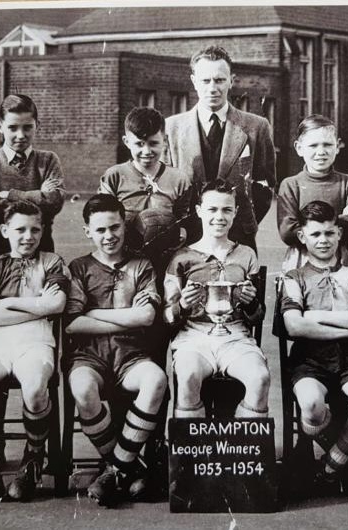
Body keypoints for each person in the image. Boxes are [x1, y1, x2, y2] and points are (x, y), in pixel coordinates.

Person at [63, 194, 168, 507]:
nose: (109, 236)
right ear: (88, 232)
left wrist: (93, 314)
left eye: (114, 227)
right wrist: (126, 318)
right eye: (100, 230)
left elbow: (147, 317)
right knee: (82, 389)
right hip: (89, 355)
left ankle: (113, 470)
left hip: (131, 355)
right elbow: (72, 325)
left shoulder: (141, 265)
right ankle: (127, 467)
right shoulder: (79, 267)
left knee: (156, 380)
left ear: (125, 226)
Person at [0, 200, 69, 502]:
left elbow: (57, 305)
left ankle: (32, 459)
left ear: (43, 231)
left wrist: (7, 303)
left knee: (36, 387)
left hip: (36, 340)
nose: (28, 236)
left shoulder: (52, 262)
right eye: (20, 229)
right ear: (4, 230)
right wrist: (38, 306)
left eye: (35, 229)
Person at [280, 200, 348, 494]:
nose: (323, 240)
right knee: (311, 405)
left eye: (328, 233)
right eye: (315, 235)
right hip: (309, 362)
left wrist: (317, 317)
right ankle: (346, 460)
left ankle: (329, 468)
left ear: (339, 233)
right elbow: (294, 326)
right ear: (302, 237)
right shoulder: (293, 278)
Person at [164, 179, 269, 419]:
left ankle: (238, 451)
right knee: (188, 375)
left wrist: (251, 302)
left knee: (260, 378)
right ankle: (194, 453)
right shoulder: (181, 258)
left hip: (235, 336)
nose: (219, 217)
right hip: (194, 337)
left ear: (235, 213)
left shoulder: (246, 254)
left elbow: (256, 317)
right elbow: (167, 316)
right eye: (212, 209)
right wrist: (182, 305)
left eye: (226, 210)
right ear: (199, 211)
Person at [165, 45, 276, 252]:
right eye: (205, 80)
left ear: (231, 81)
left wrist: (243, 222)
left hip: (238, 238)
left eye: (219, 80)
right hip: (186, 239)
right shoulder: (171, 128)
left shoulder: (256, 127)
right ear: (194, 81)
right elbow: (167, 186)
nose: (212, 88)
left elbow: (265, 185)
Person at [0, 94, 65, 269]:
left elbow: (54, 202)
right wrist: (38, 196)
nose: (20, 135)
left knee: (39, 295)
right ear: (0, 126)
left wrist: (10, 194)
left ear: (37, 126)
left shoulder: (48, 160)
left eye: (27, 127)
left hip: (39, 247)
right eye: (13, 127)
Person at [277, 115, 348, 272]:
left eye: (327, 145)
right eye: (313, 146)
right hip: (303, 259)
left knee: (344, 295)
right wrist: (341, 219)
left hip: (343, 259)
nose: (321, 151)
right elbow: (288, 232)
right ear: (299, 148)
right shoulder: (291, 185)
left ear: (338, 146)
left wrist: (309, 225)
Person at [98, 106, 193, 259]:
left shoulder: (179, 179)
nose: (147, 151)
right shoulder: (114, 176)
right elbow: (101, 218)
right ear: (126, 142)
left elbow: (186, 219)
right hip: (125, 257)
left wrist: (182, 230)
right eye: (139, 144)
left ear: (165, 140)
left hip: (166, 258)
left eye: (153, 143)